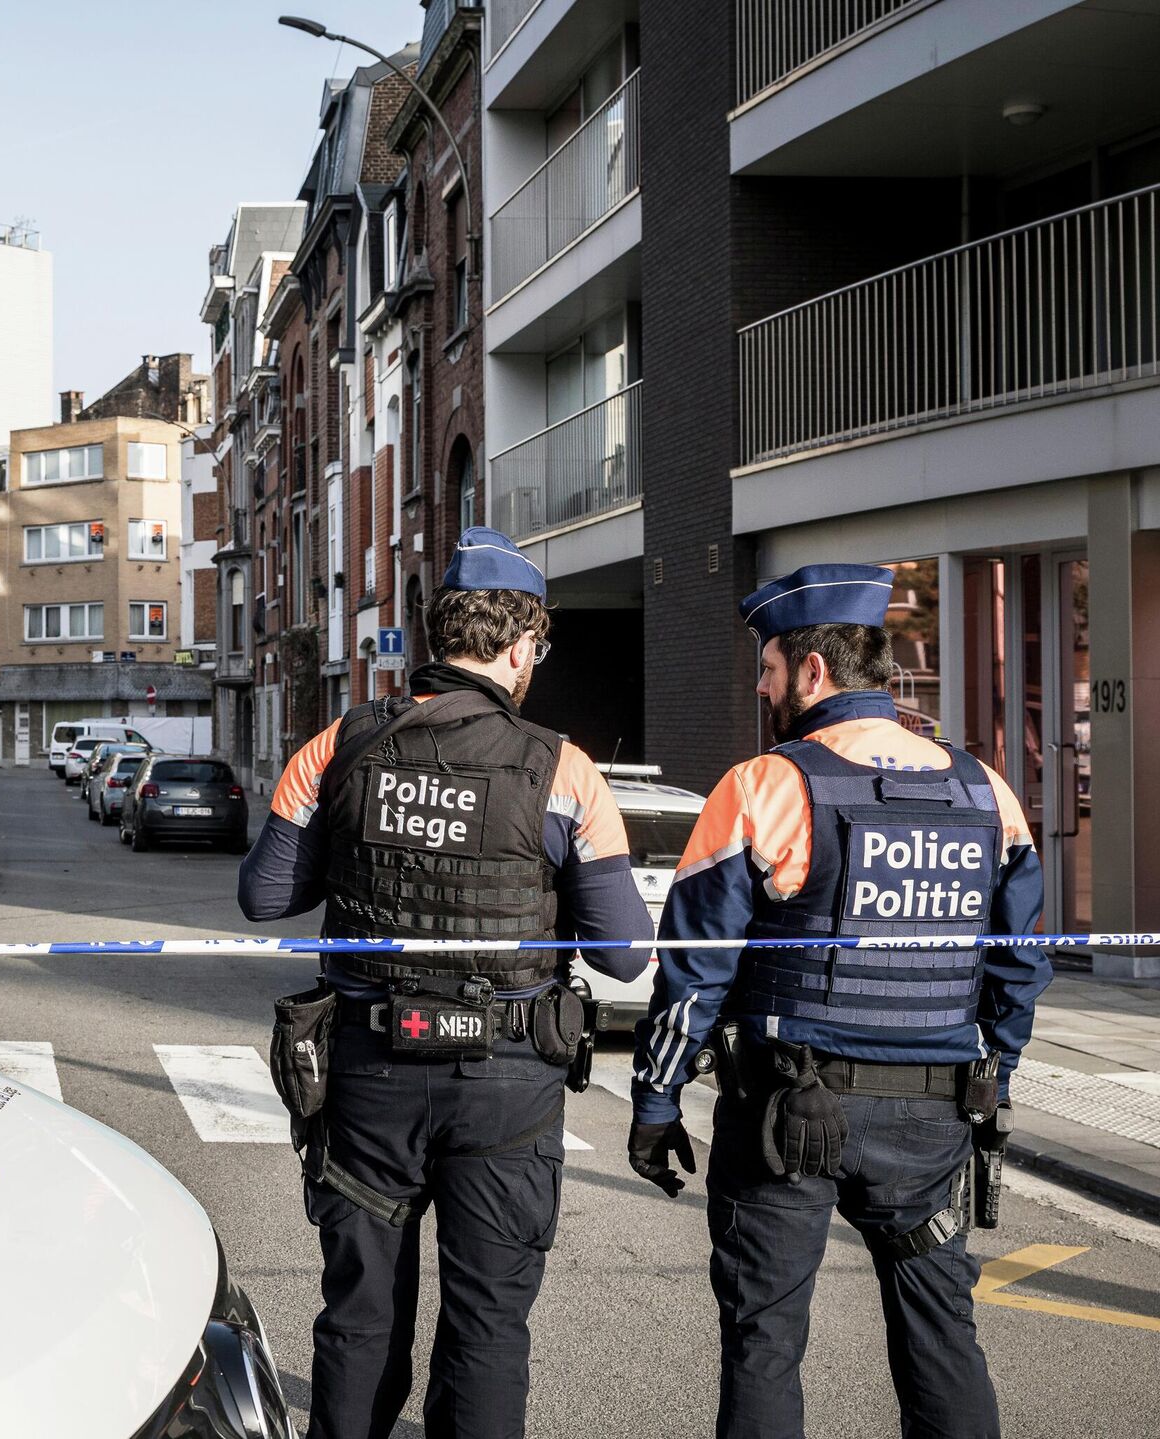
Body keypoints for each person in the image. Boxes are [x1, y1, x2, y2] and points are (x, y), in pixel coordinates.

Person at [240, 526, 655, 1439]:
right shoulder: (564, 769)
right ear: (521, 647)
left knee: (359, 1318)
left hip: (369, 1075)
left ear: (440, 635)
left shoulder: (338, 745)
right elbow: (626, 954)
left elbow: (265, 895)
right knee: (488, 1325)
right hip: (507, 1085)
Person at [626, 563, 1049, 1439]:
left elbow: (694, 967)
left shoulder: (763, 785)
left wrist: (656, 1100)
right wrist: (994, 1081)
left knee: (765, 1340)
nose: (761, 685)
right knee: (942, 1332)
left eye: (769, 667)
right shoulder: (987, 789)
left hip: (786, 1110)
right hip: (932, 1118)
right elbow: (1019, 964)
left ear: (813, 670)